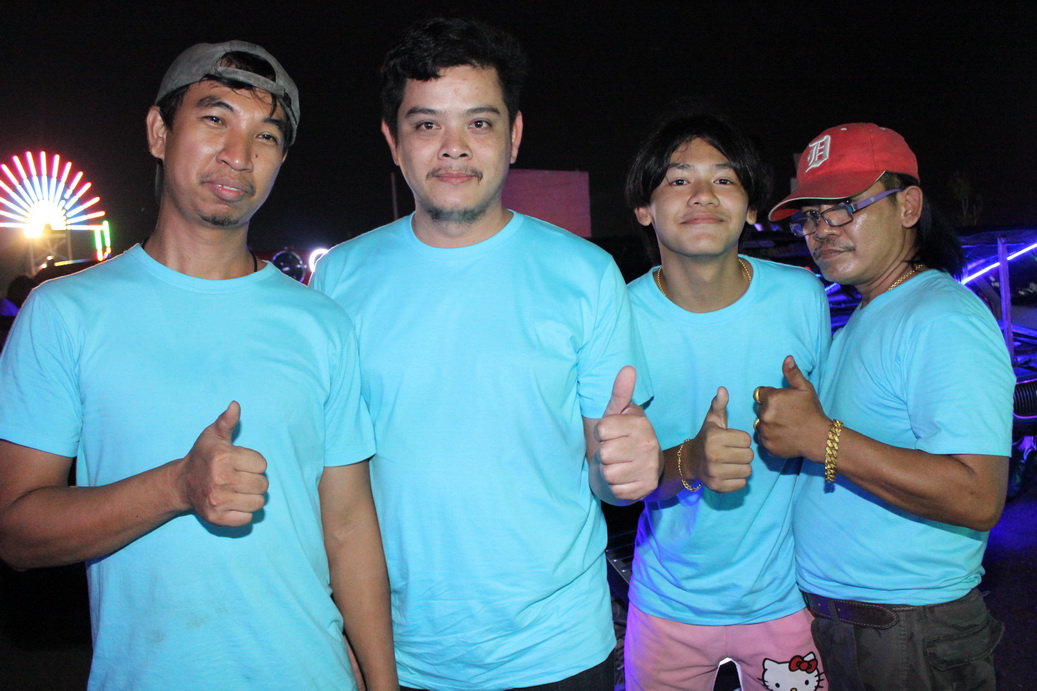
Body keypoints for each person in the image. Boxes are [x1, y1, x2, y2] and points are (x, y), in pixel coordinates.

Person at [0, 41, 396, 690]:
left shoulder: (321, 323)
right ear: (159, 132)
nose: (239, 155)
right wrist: (177, 487)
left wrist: (382, 682)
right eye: (215, 118)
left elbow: (350, 527)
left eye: (266, 135)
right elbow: (15, 531)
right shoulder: (65, 313)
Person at [311, 17, 661, 691]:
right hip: (401, 652)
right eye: (426, 124)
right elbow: (332, 489)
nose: (454, 147)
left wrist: (628, 465)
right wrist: (346, 635)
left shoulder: (585, 273)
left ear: (514, 134)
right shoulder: (339, 280)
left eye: (479, 122)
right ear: (392, 140)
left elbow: (604, 470)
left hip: (557, 648)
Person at [758, 123, 1013, 690]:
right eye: (810, 216)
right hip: (860, 627)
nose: (822, 230)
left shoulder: (942, 318)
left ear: (908, 206)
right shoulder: (871, 313)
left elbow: (978, 495)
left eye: (844, 207)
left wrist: (820, 438)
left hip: (907, 633)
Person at [621, 112, 829, 691]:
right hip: (667, 603)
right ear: (644, 208)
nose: (703, 195)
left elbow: (827, 439)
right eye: (678, 179)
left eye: (724, 179)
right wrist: (689, 462)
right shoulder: (618, 317)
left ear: (751, 206)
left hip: (786, 598)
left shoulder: (801, 297)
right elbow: (610, 480)